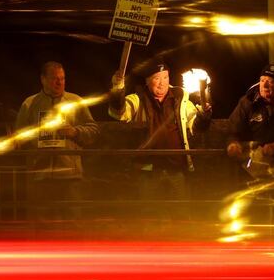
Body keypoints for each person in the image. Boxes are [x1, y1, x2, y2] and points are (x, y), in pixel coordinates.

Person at [109, 62, 211, 216]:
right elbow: (119, 112)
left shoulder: (182, 100)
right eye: (157, 78)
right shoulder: (138, 100)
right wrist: (117, 89)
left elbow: (196, 126)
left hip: (177, 168)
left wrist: (204, 114)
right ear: (148, 81)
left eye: (165, 77)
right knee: (149, 214)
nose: (162, 82)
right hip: (149, 169)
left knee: (181, 213)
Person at [15, 61, 99, 218]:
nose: (60, 82)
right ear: (43, 79)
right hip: (40, 175)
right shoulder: (30, 103)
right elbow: (19, 137)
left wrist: (75, 132)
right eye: (55, 78)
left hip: (70, 176)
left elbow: (93, 130)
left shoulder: (76, 101)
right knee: (41, 226)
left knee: (72, 224)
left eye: (63, 78)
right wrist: (33, 135)